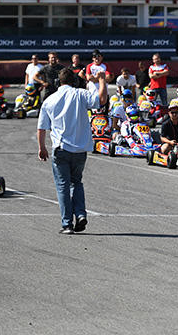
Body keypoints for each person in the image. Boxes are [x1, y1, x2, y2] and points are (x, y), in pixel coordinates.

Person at [37, 68, 108, 235]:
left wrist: (42, 148)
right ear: (74, 81)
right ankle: (81, 214)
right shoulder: (80, 94)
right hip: (80, 148)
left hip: (61, 148)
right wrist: (102, 80)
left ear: (57, 82)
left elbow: (42, 128)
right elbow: (102, 99)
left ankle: (67, 224)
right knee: (76, 182)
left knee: (63, 186)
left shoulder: (50, 100)